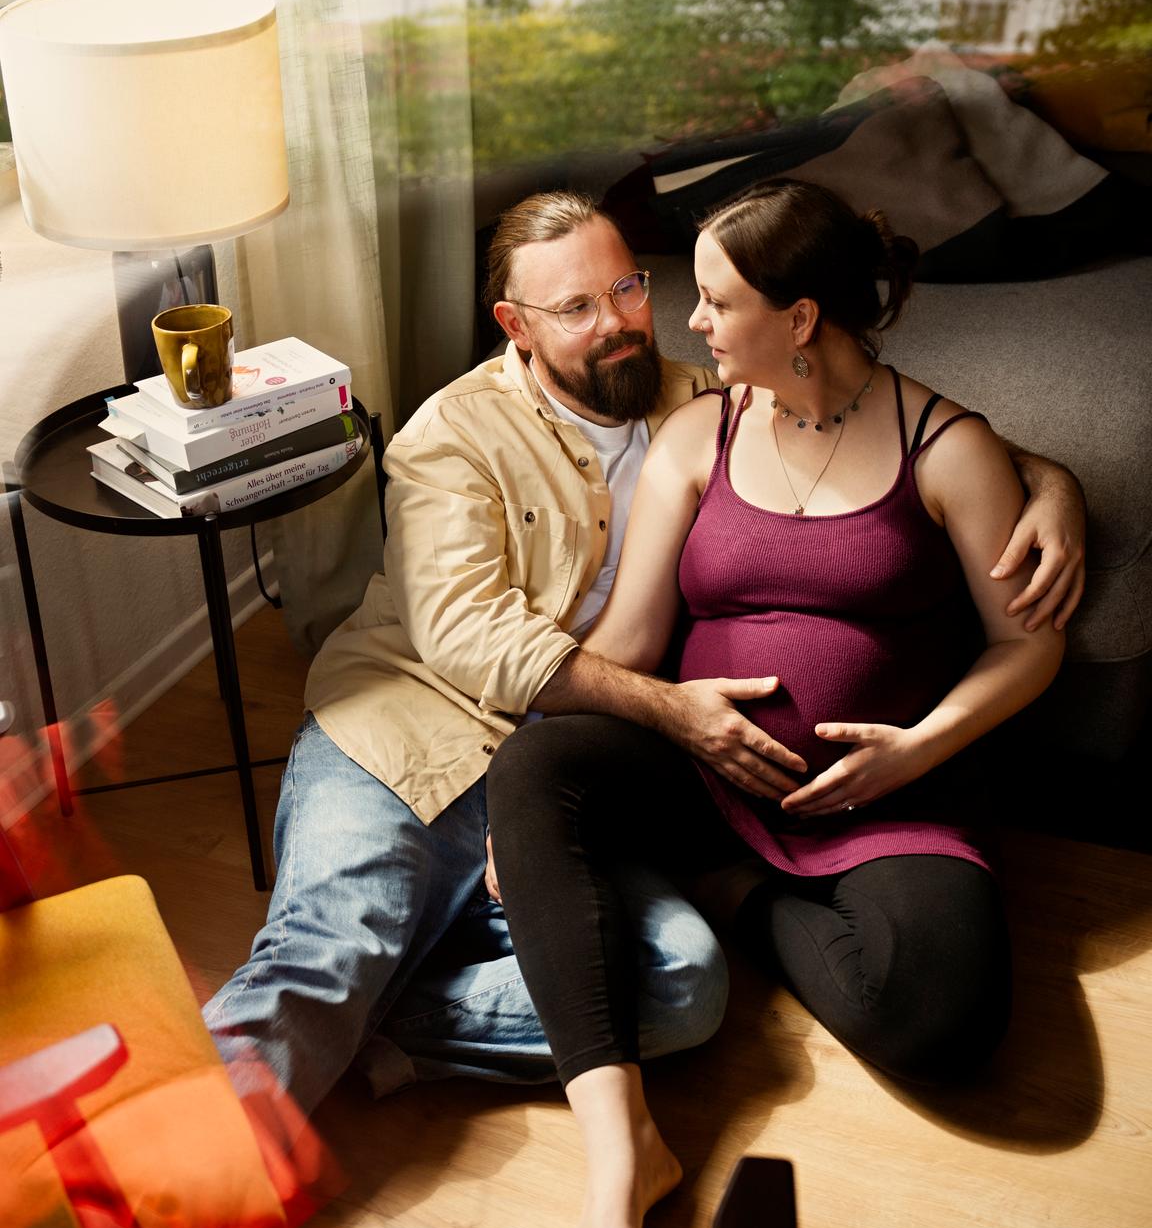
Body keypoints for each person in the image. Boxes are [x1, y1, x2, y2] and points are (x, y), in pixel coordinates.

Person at [203, 189, 1081, 1131]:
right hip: (413, 738)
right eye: (577, 309)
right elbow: (470, 639)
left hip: (578, 764)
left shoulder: (701, 396)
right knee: (331, 957)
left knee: (683, 989)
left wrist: (1051, 480)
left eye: (628, 288)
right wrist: (669, 713)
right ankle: (157, 1207)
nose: (623, 323)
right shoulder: (450, 438)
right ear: (517, 326)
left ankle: (361, 1032)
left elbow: (883, 422)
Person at [484, 179, 1068, 1228]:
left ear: (799, 317)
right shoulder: (699, 434)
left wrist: (919, 748)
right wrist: (525, 799)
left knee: (947, 1024)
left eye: (715, 301)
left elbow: (1026, 646)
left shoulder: (944, 448)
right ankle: (622, 1166)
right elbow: (629, 639)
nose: (690, 325)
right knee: (536, 765)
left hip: (888, 791)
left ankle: (731, 892)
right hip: (702, 769)